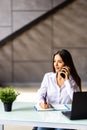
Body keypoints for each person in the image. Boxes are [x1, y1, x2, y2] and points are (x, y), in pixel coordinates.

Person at [36, 49, 81, 130]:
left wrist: (67, 80)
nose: (55, 64)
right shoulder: (48, 77)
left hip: (66, 118)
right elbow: (40, 94)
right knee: (41, 128)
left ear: (67, 64)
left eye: (59, 62)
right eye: (54, 61)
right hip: (49, 116)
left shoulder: (73, 81)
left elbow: (76, 101)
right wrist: (41, 102)